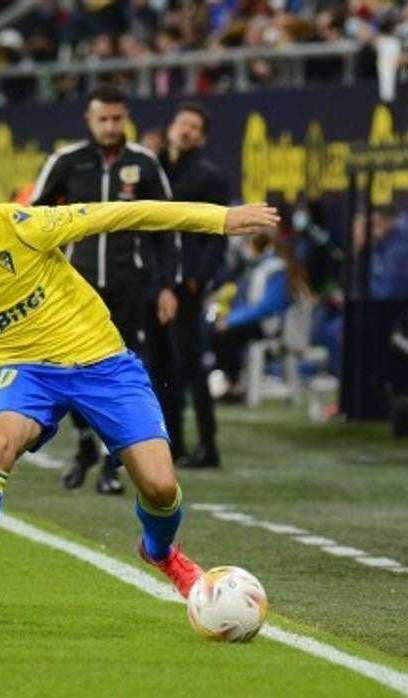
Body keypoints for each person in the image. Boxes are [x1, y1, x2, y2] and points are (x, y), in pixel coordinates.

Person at [0, 177, 277, 629]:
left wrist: (220, 219)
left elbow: (126, 213)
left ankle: (161, 553)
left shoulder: (19, 226)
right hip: (25, 373)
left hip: (102, 361)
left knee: (161, 489)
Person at [28, 83, 176, 495]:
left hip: (131, 286)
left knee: (125, 376)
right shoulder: (67, 161)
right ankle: (85, 445)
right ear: (88, 120)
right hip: (76, 288)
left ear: (126, 117)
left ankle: (115, 461)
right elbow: (31, 222)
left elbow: (166, 227)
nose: (110, 126)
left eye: (117, 118)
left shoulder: (144, 164)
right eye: (103, 119)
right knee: (71, 371)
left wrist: (167, 285)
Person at [157, 102, 229, 469]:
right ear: (172, 127)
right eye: (182, 123)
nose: (186, 131)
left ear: (202, 138)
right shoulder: (153, 167)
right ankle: (173, 444)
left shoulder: (209, 177)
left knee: (190, 365)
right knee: (159, 367)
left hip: (186, 283)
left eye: (194, 127)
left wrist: (200, 276)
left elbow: (218, 234)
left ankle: (207, 444)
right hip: (153, 281)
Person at [209, 232, 303, 399]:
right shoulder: (256, 268)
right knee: (215, 330)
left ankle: (234, 384)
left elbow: (266, 307)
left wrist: (231, 321)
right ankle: (231, 382)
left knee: (226, 334)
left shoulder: (275, 269)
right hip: (256, 321)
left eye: (249, 245)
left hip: (269, 325)